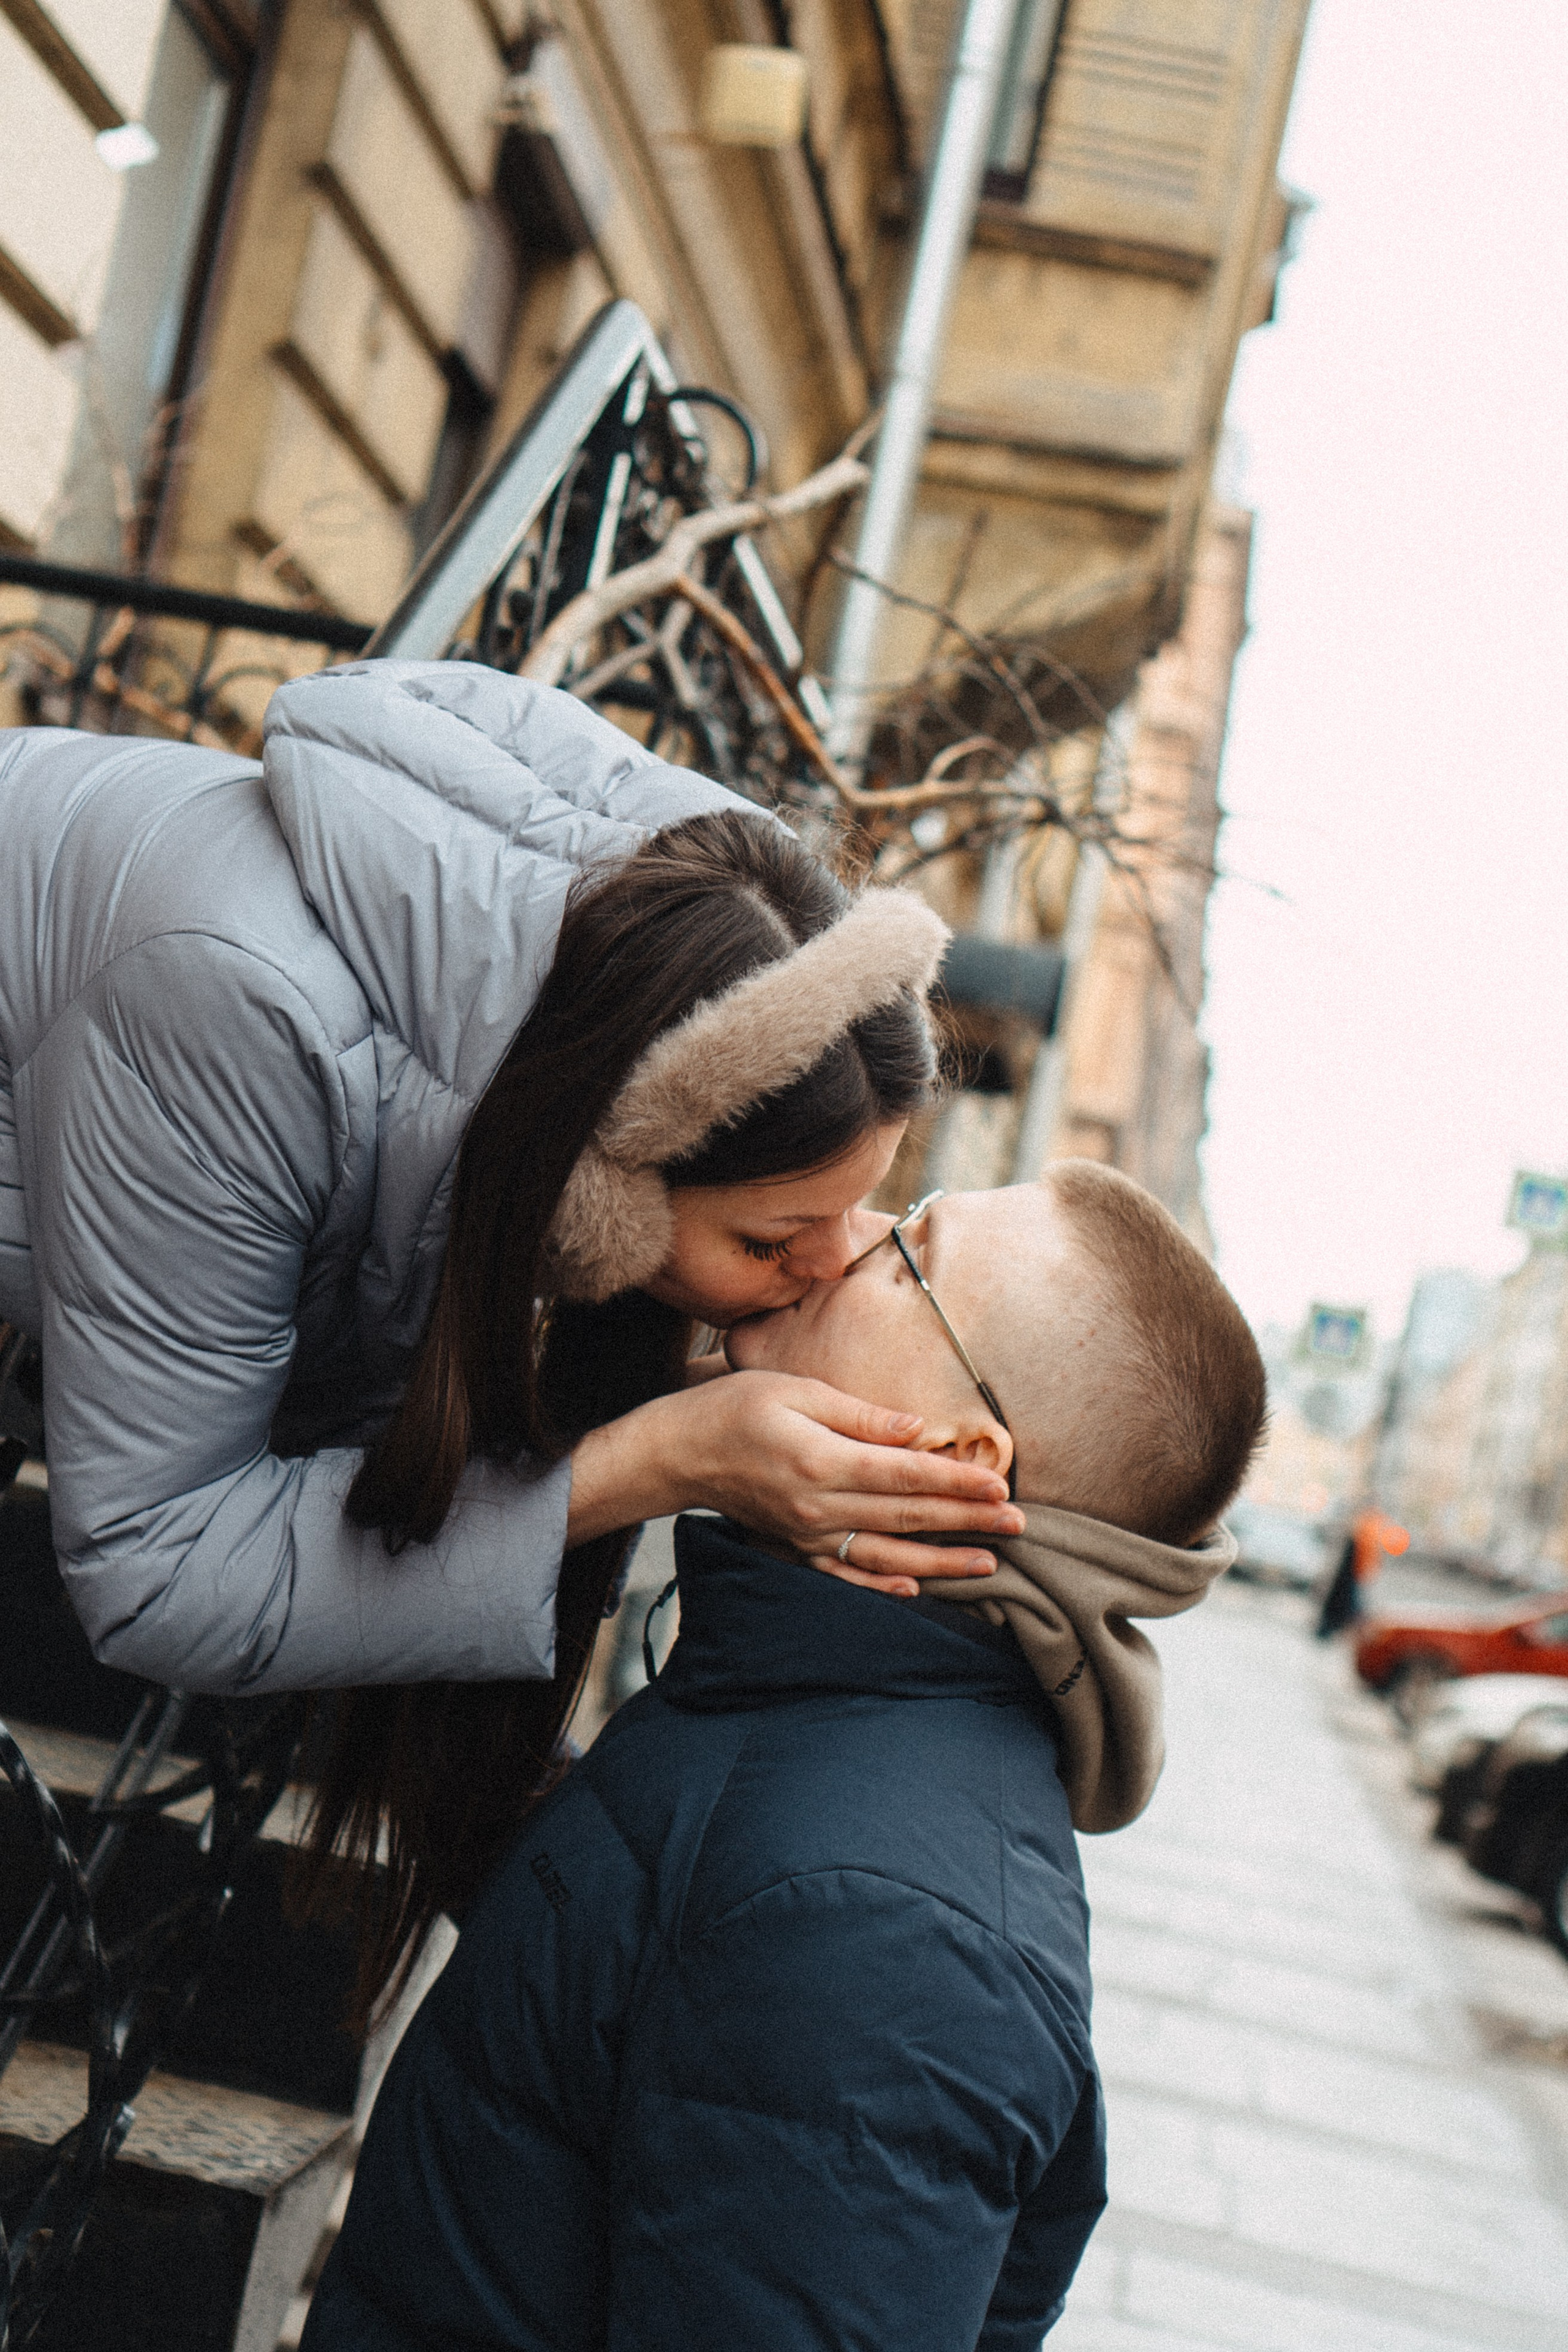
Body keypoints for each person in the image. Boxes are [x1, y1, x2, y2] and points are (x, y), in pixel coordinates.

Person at [301, 1164, 1267, 2351]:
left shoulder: (882, 1933)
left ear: (961, 1455)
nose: (846, 1235)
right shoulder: (801, 1707)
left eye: (910, 1251)